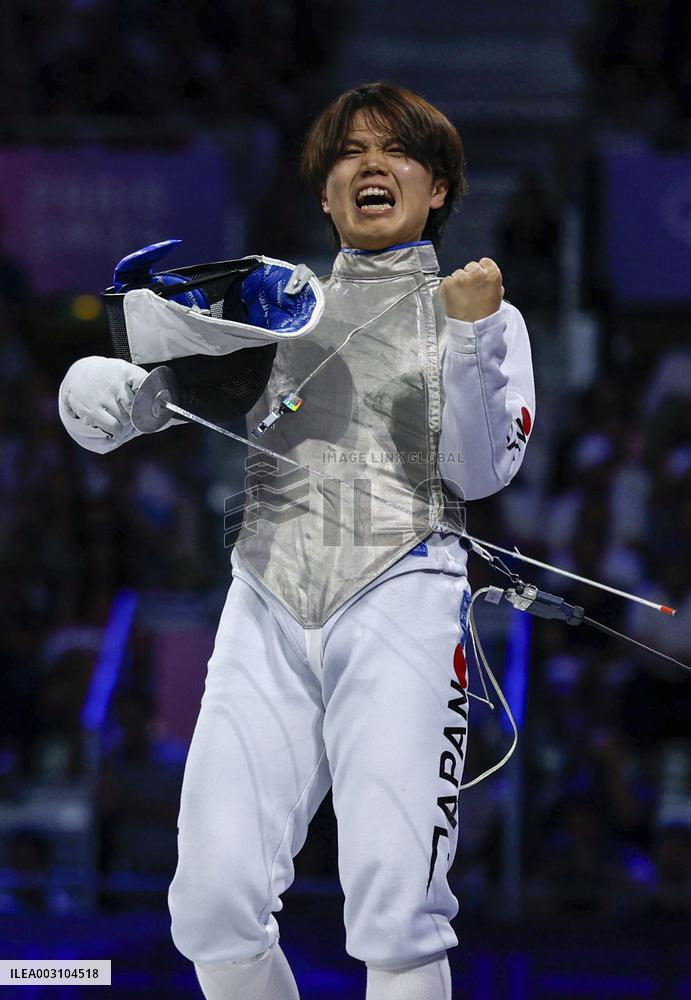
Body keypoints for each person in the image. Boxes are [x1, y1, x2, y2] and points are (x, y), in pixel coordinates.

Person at [58, 83, 535, 1000]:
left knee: (395, 912)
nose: (369, 164)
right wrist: (106, 401)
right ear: (324, 193)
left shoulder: (484, 317)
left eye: (394, 150)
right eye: (349, 152)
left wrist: (470, 333)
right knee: (210, 905)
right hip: (266, 603)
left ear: (436, 188)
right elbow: (129, 405)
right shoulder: (275, 306)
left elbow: (479, 471)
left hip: (405, 599)